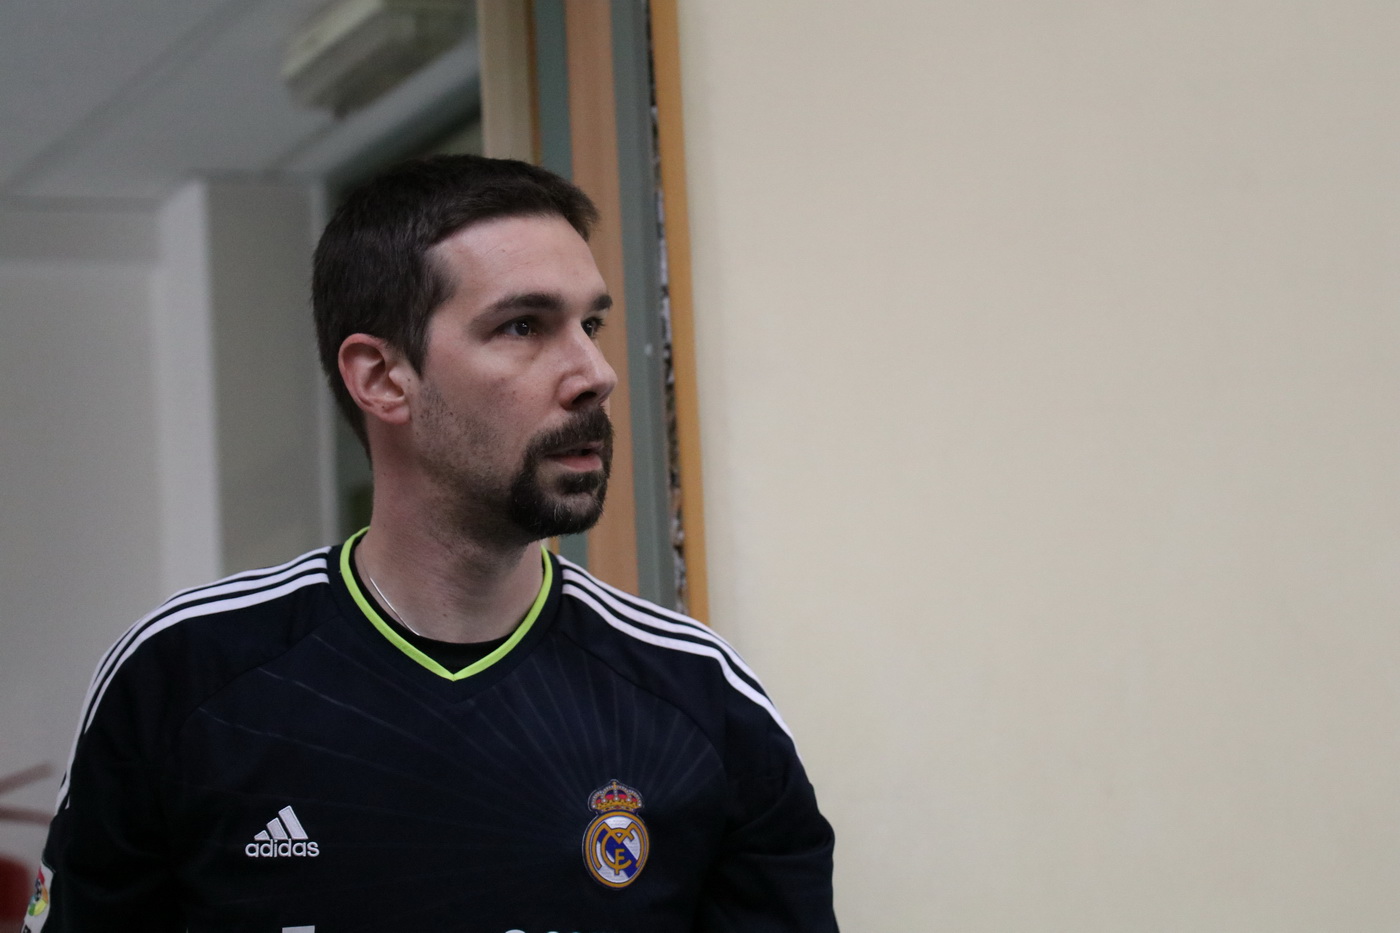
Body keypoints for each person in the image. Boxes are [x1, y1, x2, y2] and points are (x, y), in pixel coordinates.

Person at [27, 154, 837, 932]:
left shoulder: (704, 701)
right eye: (524, 326)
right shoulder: (183, 676)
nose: (595, 372)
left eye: (590, 324)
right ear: (382, 377)